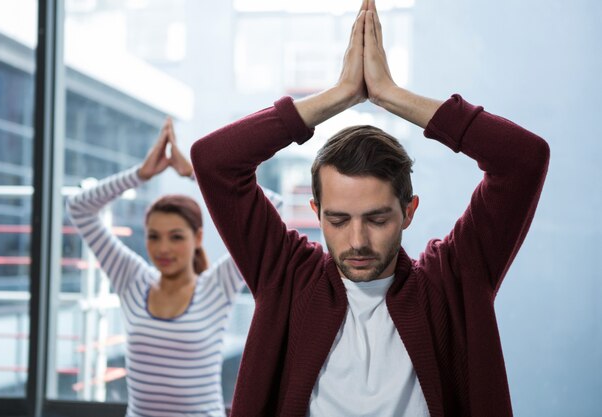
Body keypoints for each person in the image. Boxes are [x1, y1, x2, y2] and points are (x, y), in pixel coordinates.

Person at [190, 0, 550, 416]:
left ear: (408, 211)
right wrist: (341, 95)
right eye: (338, 220)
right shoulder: (287, 277)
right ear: (316, 210)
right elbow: (214, 160)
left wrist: (390, 95)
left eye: (377, 219)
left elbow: (523, 160)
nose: (357, 241)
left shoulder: (453, 281)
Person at [66, 118, 280, 417]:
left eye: (176, 237)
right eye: (154, 237)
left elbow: (274, 205)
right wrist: (139, 175)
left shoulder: (217, 284)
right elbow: (78, 207)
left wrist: (193, 172)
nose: (163, 248)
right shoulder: (132, 279)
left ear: (198, 238)